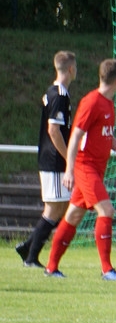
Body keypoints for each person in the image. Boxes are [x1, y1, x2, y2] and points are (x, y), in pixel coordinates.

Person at [44, 59, 116, 280]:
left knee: (73, 215)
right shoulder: (91, 102)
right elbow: (75, 136)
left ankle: (51, 267)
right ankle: (107, 269)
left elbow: (107, 138)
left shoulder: (108, 104)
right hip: (85, 167)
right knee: (106, 210)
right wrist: (70, 169)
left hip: (96, 169)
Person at [16, 51, 77, 268]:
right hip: (54, 161)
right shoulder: (59, 95)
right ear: (70, 69)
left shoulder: (55, 92)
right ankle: (31, 257)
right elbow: (53, 131)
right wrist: (68, 159)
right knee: (53, 210)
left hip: (52, 160)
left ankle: (28, 248)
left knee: (61, 208)